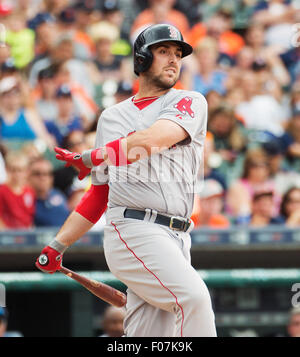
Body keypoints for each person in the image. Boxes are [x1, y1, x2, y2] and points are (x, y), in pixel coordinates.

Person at [36, 24, 217, 337]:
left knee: (150, 336)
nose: (174, 59)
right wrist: (58, 244)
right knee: (194, 300)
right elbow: (99, 194)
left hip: (176, 236)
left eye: (178, 54)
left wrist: (94, 155)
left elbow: (154, 139)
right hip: (133, 228)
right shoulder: (112, 117)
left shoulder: (189, 101)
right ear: (142, 59)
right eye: (164, 52)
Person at [29, 157, 70, 227]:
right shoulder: (26, 200)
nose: (43, 178)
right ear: (28, 176)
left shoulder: (58, 195)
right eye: (37, 174)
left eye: (47, 174)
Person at [0, 151, 35, 230]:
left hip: (25, 235)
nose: (17, 174)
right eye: (13, 170)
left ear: (27, 172)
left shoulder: (29, 191)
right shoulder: (2, 191)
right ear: (7, 169)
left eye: (20, 170)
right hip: (8, 236)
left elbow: (29, 217)